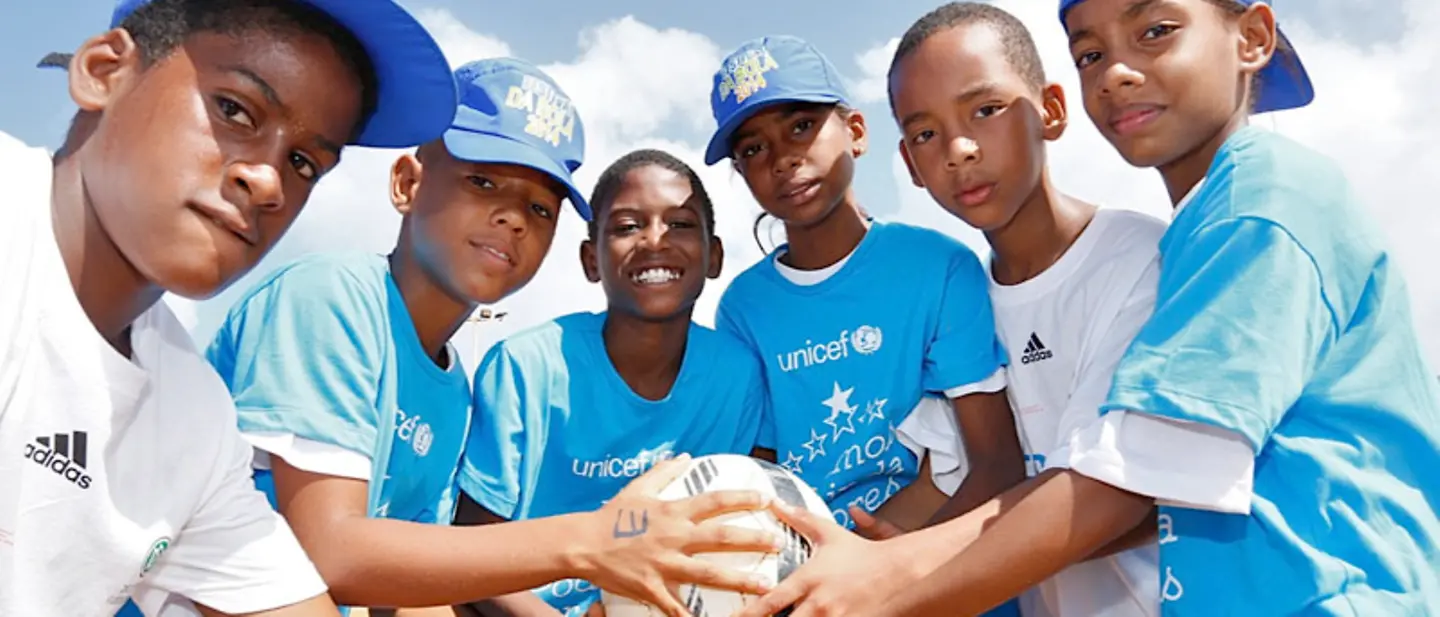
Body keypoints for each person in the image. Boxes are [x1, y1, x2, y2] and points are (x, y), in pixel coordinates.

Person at [732, 1, 1440, 616]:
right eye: (1092, 53)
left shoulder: (1249, 212)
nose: (1118, 72)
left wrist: (888, 584)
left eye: (1157, 30)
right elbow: (979, 479)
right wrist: (882, 557)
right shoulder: (970, 290)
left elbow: (1124, 486)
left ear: (1251, 38)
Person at [206, 60, 777, 617]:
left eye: (539, 207)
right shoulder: (331, 296)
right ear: (407, 183)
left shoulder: (451, 389)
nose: (512, 218)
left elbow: (410, 590)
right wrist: (598, 540)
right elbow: (328, 552)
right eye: (482, 181)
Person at [0, 0, 458, 614]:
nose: (268, 183)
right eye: (235, 109)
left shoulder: (193, 417)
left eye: (303, 163)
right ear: (104, 72)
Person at [858, 4, 1165, 616]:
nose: (959, 149)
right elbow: (948, 481)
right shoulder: (958, 299)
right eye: (925, 134)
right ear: (911, 166)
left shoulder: (1142, 260)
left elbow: (1130, 497)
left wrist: (910, 573)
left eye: (985, 110)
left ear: (1050, 110)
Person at [705, 35, 1021, 536]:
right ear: (740, 172)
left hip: (936, 562)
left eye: (802, 127)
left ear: (855, 130)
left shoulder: (936, 266)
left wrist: (885, 569)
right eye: (753, 148)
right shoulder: (744, 308)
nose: (782, 159)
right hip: (810, 572)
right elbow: (761, 476)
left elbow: (998, 465)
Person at [452, 148, 769, 617]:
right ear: (591, 259)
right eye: (626, 227)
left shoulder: (737, 375)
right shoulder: (527, 366)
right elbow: (471, 557)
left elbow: (743, 536)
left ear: (714, 254)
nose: (655, 241)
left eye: (680, 224)